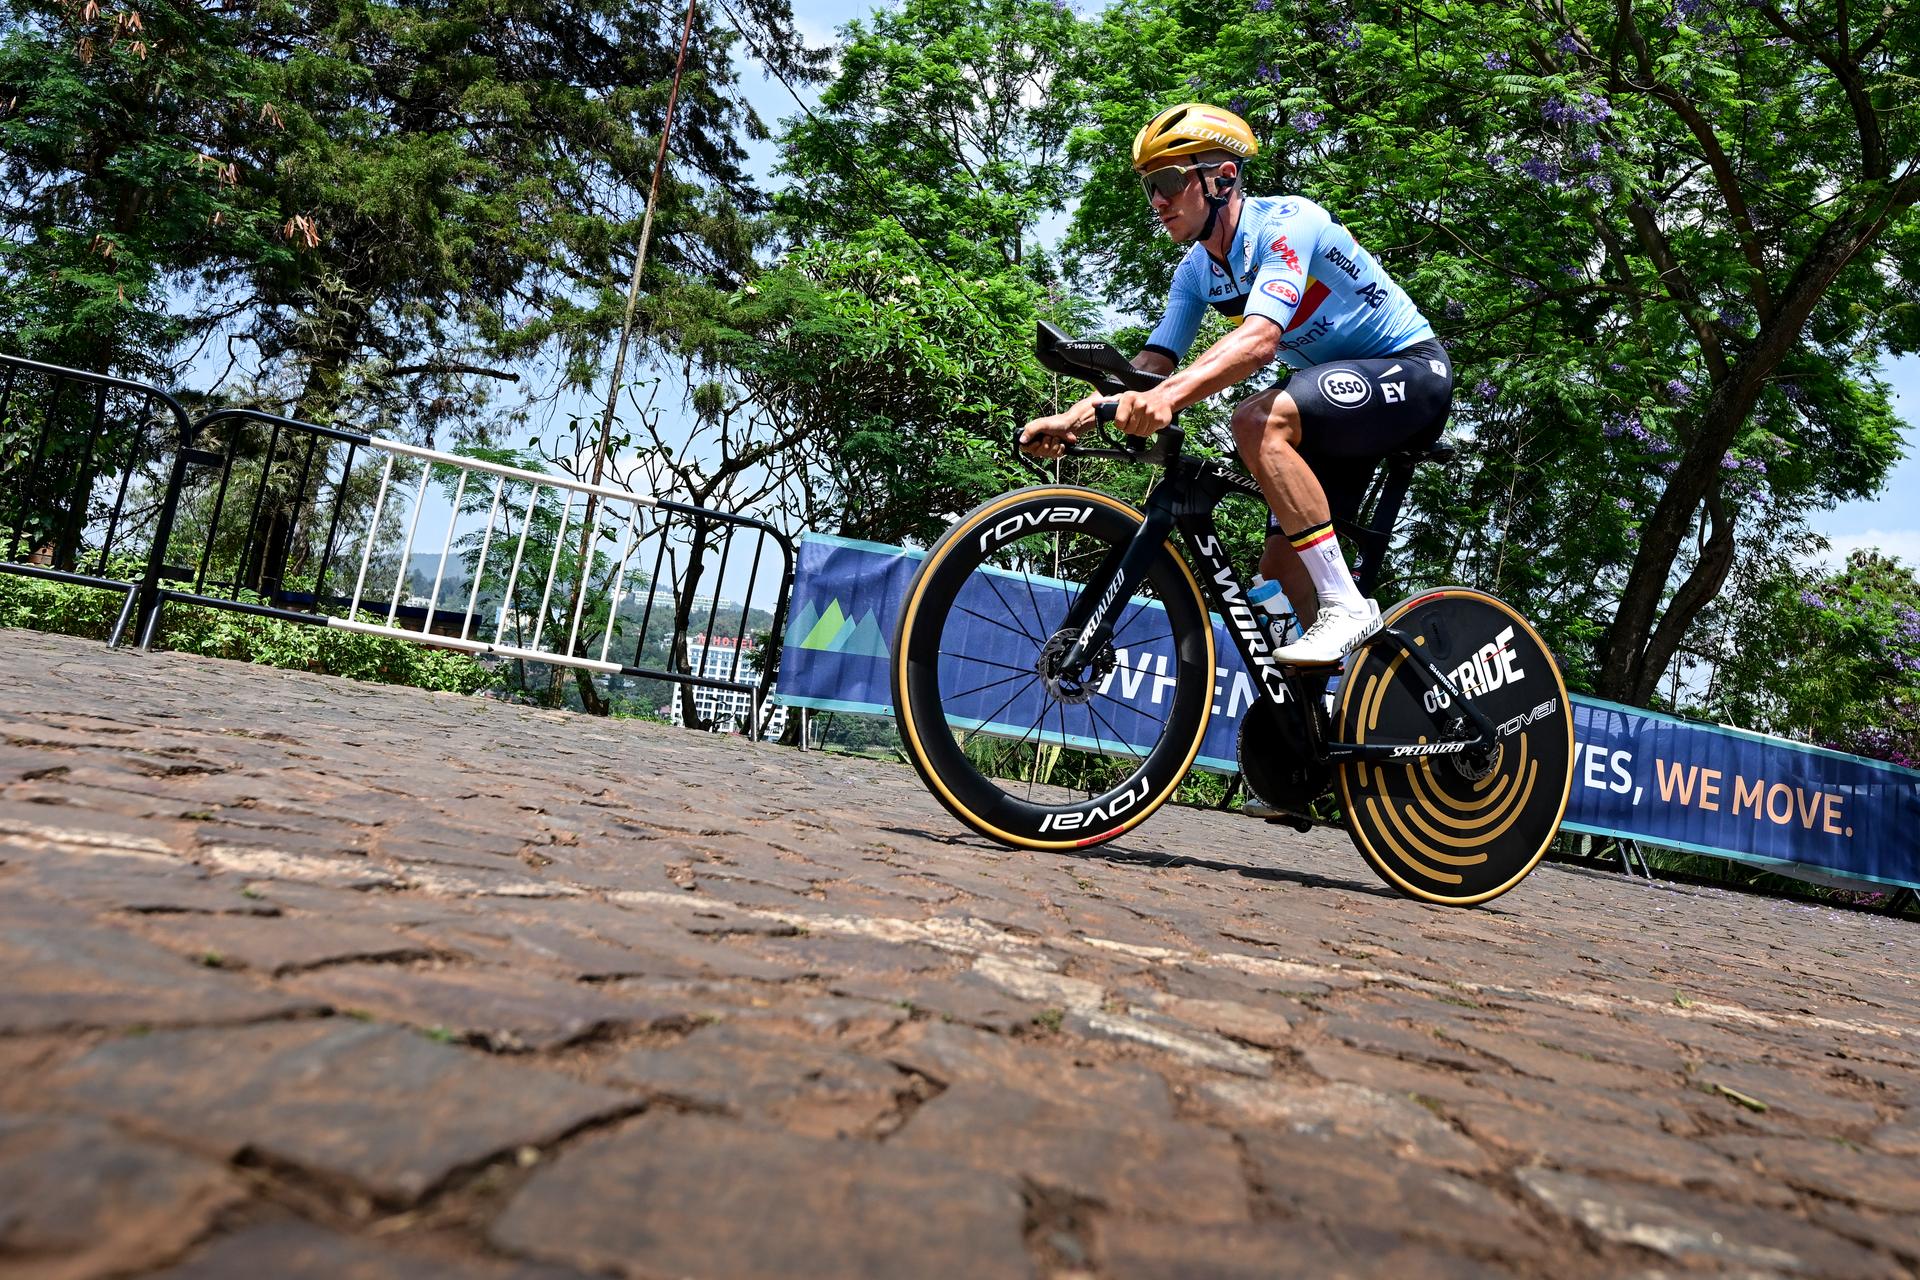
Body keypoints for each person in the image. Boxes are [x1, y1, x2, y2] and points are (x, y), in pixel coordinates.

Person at [1019, 103, 1453, 666]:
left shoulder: (1287, 224)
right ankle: (1316, 731)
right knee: (1277, 582)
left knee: (1256, 418)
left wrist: (1167, 397)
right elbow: (1151, 367)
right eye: (1151, 185)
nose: (1157, 200)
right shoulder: (1197, 271)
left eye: (1170, 181)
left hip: (1411, 372)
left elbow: (1258, 342)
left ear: (1222, 178)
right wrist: (1080, 414)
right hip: (1334, 404)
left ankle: (1348, 605)